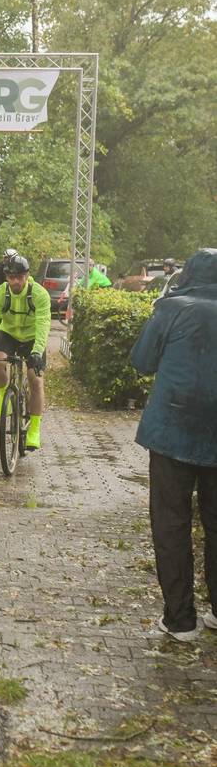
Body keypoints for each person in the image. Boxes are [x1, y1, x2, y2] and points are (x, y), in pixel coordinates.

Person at [129, 248, 217, 641]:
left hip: (171, 432)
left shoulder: (171, 308)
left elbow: (143, 361)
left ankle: (181, 620)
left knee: (171, 524)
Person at [0, 255, 51, 449]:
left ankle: (34, 429)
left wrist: (37, 352)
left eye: (20, 277)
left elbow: (43, 324)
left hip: (32, 337)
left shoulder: (39, 294)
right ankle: (4, 393)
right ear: (6, 277)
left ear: (27, 276)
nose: (16, 281)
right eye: (11, 277)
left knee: (35, 379)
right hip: (8, 333)